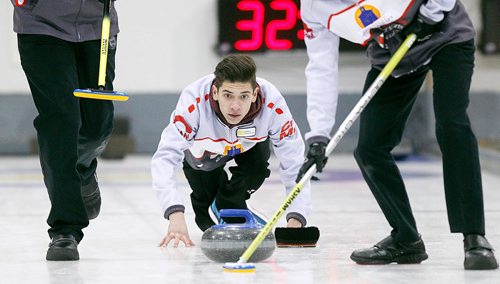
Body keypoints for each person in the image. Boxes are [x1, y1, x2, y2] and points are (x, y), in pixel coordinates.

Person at [298, 0, 498, 270]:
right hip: (395, 56)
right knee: (370, 148)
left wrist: (432, 12)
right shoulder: (313, 8)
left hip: (444, 36)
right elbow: (321, 68)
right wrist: (318, 135)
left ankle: (475, 238)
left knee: (451, 125)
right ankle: (406, 239)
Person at [151, 55, 310, 247]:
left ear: (254, 93)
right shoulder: (193, 103)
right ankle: (223, 207)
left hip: (250, 145)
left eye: (244, 96)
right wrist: (174, 213)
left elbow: (294, 163)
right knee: (206, 223)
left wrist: (296, 217)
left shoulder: (273, 104)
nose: (235, 106)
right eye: (228, 95)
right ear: (215, 92)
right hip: (203, 154)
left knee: (255, 169)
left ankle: (230, 202)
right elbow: (164, 159)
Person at [12, 0, 120, 260]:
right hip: (41, 28)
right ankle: (65, 229)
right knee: (60, 123)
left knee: (97, 128)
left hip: (98, 26)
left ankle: (82, 171)